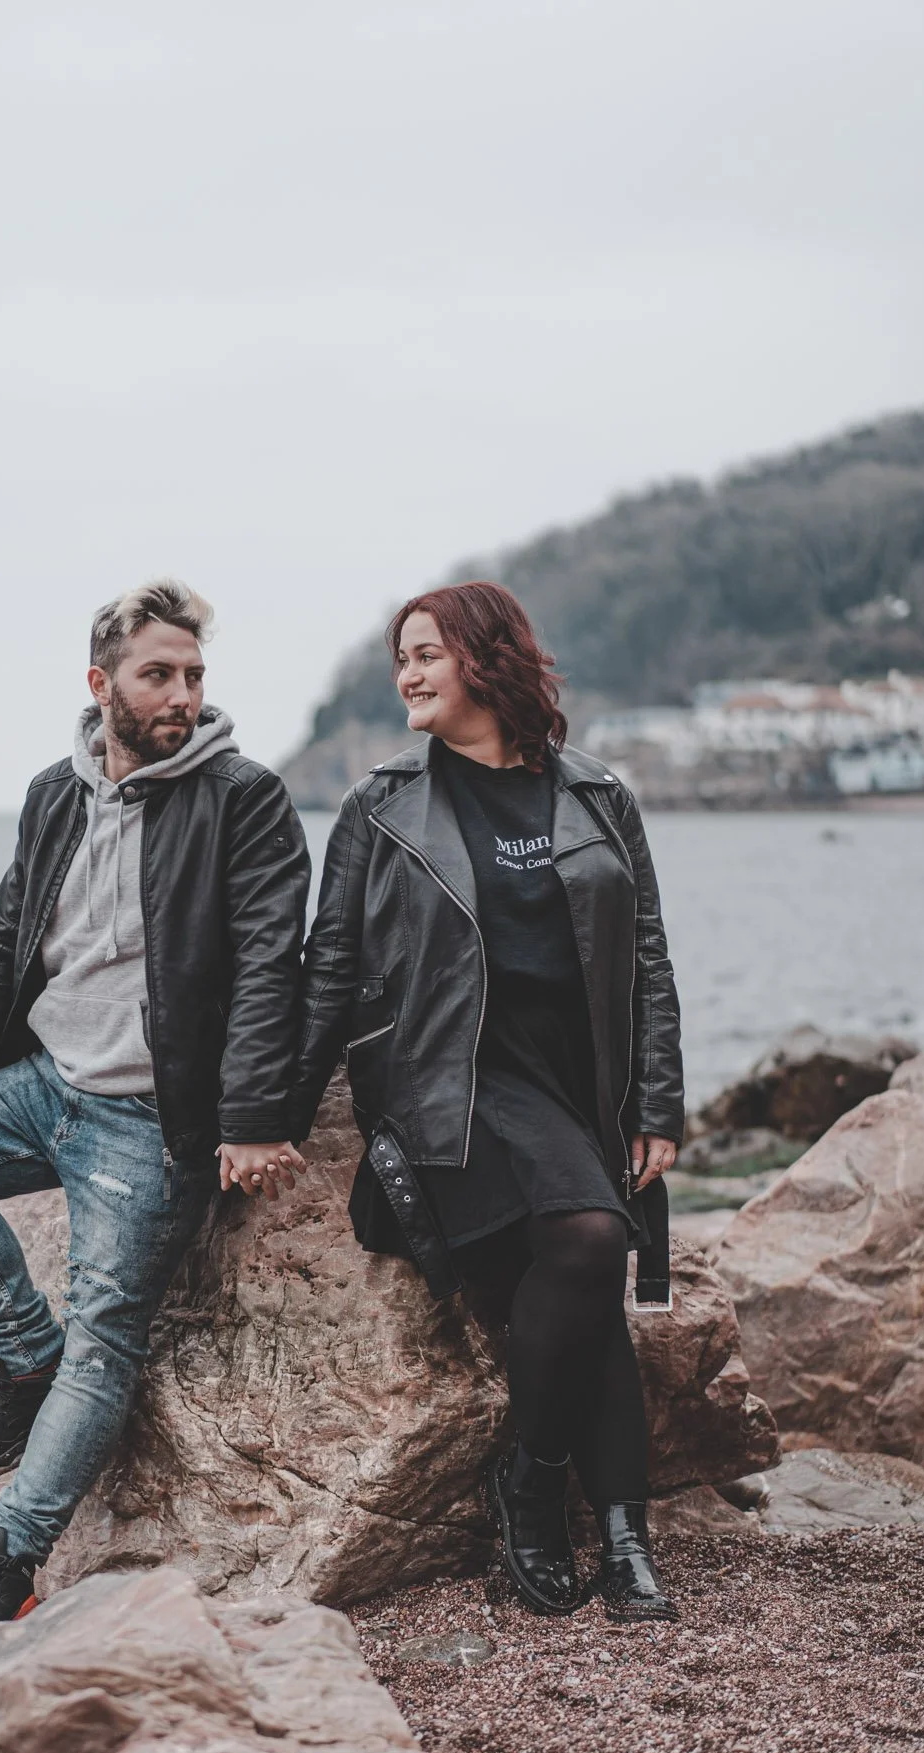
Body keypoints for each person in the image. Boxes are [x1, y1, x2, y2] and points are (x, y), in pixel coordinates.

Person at [0, 580, 310, 1640]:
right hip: (45, 1083)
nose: (183, 695)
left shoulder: (242, 796)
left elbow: (270, 970)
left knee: (109, 1333)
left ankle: (6, 1557)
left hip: (149, 1119)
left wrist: (250, 1116)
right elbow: (4, 938)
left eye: (196, 675)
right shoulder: (53, 794)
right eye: (160, 673)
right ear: (100, 681)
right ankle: (27, 1356)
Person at [289, 581, 685, 1622]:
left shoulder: (597, 796)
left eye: (426, 653)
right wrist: (263, 1117)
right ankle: (535, 1482)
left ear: (486, 657)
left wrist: (659, 1105)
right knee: (596, 1240)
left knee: (580, 1301)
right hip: (450, 1089)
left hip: (575, 1089)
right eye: (401, 659)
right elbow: (328, 965)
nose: (407, 674)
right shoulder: (385, 804)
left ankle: (619, 1534)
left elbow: (646, 957)